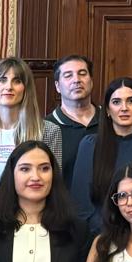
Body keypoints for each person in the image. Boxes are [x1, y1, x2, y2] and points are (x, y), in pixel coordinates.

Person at [71, 77, 132, 233]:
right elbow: (80, 204)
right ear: (107, 110)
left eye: (131, 101)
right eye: (116, 102)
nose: (124, 108)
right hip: (99, 237)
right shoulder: (90, 145)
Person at [0, 58, 64, 201]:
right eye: (2, 80)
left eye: (17, 81)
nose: (9, 86)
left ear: (26, 90)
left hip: (31, 214)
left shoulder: (48, 131)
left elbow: (54, 182)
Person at [45, 54, 99, 192]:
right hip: (65, 211)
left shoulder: (111, 119)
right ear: (57, 86)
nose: (76, 80)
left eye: (82, 74)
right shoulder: (46, 127)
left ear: (91, 81)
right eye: (68, 75)